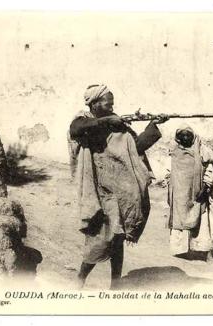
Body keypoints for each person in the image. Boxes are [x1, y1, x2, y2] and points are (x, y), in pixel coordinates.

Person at [69, 84, 168, 289]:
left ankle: (115, 283)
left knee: (119, 237)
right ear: (95, 103)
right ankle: (80, 278)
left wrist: (153, 125)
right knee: (100, 239)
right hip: (99, 190)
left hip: (119, 190)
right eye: (108, 103)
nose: (112, 106)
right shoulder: (83, 120)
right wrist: (108, 121)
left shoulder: (118, 125)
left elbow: (136, 148)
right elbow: (76, 129)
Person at [167, 124, 213, 261]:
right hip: (180, 194)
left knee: (201, 220)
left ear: (193, 136)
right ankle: (183, 250)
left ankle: (207, 253)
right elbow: (170, 171)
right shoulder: (174, 150)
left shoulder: (201, 149)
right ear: (178, 138)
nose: (185, 138)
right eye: (182, 135)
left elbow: (210, 167)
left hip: (198, 192)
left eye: (188, 135)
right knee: (180, 220)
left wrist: (206, 187)